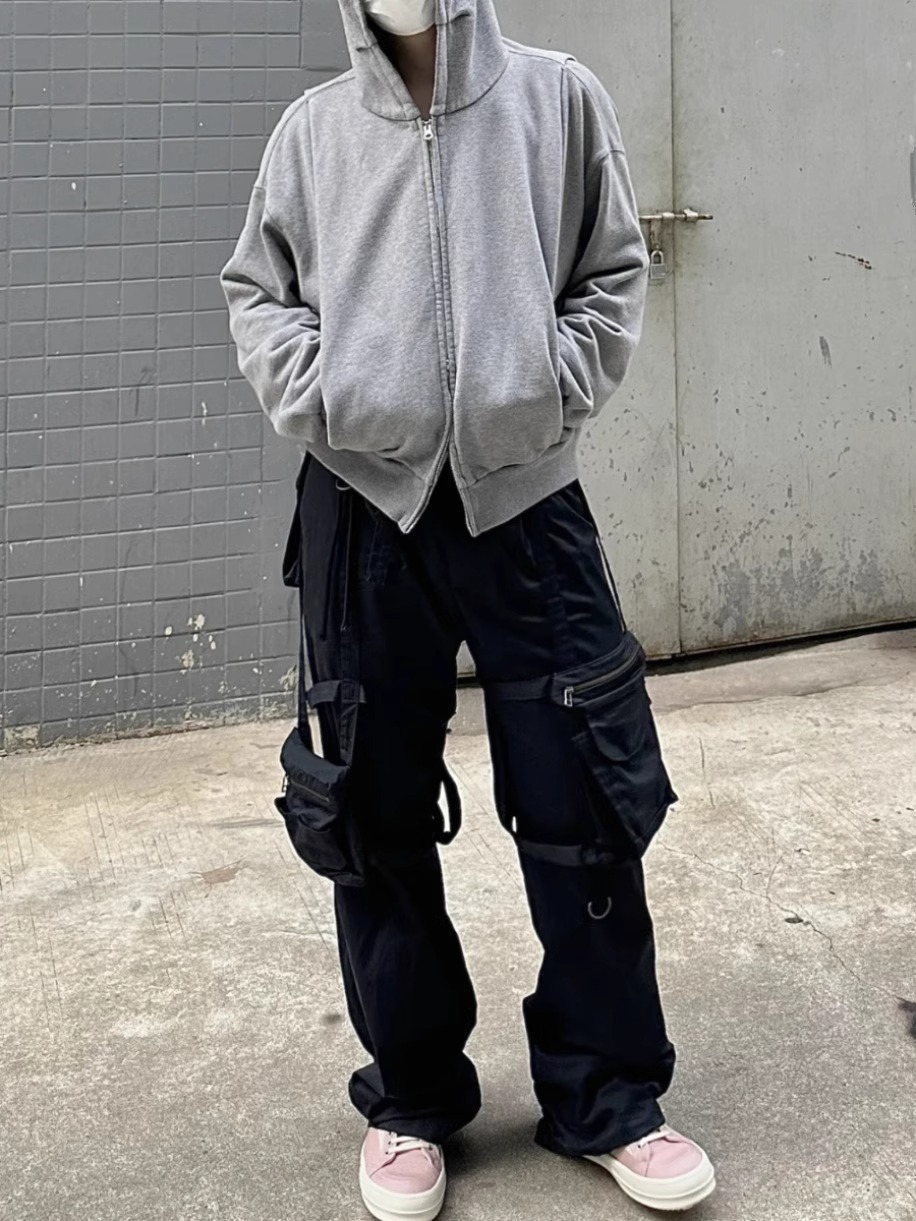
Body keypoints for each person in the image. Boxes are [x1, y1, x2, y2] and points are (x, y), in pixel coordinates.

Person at [220, 1, 716, 1217]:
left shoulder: (557, 98)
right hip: (360, 509)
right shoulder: (312, 130)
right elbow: (258, 293)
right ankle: (410, 1095)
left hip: (526, 502)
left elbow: (610, 270)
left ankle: (607, 1095)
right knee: (368, 809)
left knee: (585, 796)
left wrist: (541, 391)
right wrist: (334, 398)